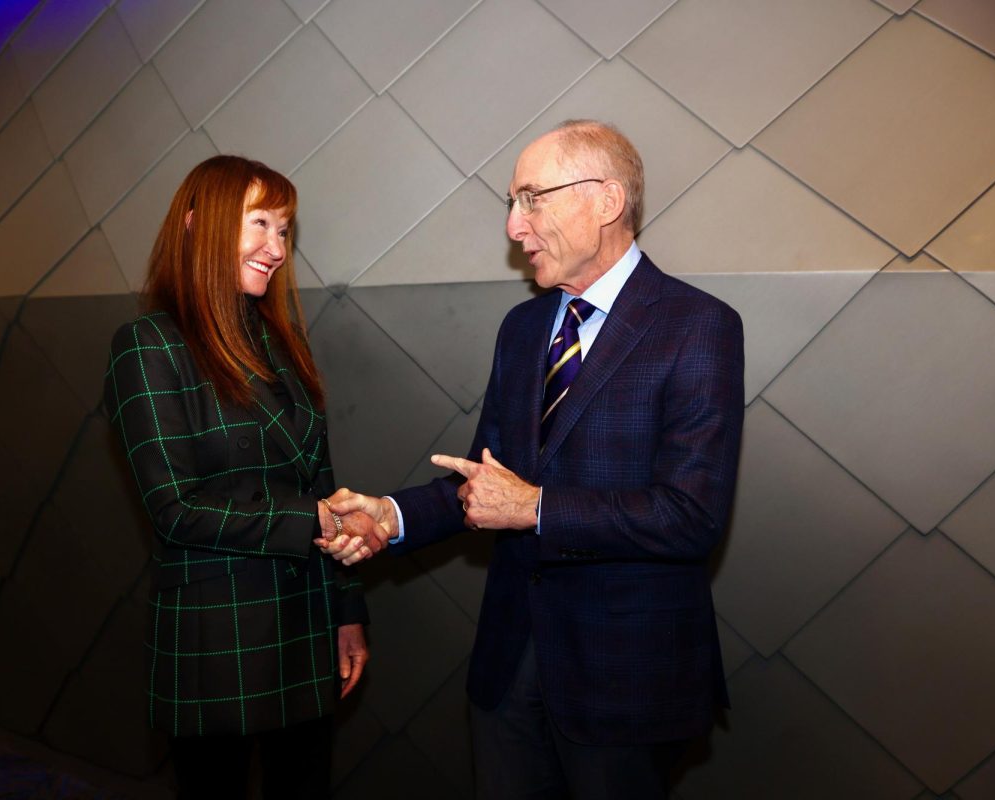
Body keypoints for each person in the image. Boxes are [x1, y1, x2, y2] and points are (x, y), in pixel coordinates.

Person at [318, 120, 745, 799]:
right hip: (508, 672)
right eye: (512, 205)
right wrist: (391, 516)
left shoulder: (697, 327)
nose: (515, 229)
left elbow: (689, 515)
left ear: (605, 201)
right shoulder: (523, 329)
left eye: (531, 199)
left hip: (622, 685)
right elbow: (490, 482)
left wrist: (536, 508)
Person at [103, 155, 378, 799]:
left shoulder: (282, 343)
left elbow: (324, 481)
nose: (275, 248)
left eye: (284, 230)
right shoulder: (147, 345)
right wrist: (313, 520)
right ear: (198, 224)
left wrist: (347, 608)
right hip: (216, 632)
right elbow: (174, 508)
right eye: (259, 223)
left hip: (305, 620)